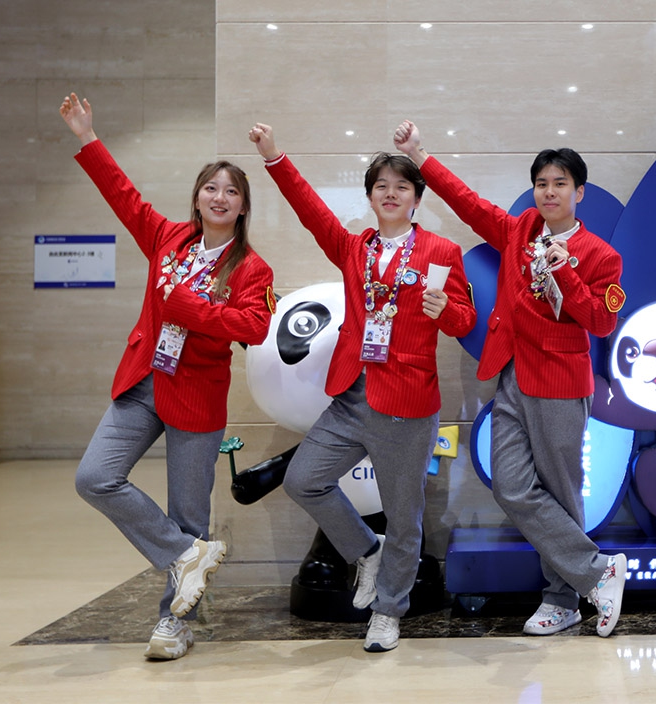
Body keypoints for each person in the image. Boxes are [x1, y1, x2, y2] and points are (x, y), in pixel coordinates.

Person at [392, 121, 629, 637]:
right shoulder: (519, 230)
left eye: (560, 183)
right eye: (542, 183)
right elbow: (468, 203)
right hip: (511, 377)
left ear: (579, 193)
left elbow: (602, 322)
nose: (549, 192)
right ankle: (597, 571)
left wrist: (565, 272)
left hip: (561, 384)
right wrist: (420, 155)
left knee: (562, 494)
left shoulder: (600, 255)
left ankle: (561, 600)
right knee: (511, 485)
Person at [61, 93, 274, 661]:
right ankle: (184, 556)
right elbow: (122, 195)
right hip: (143, 382)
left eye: (231, 192)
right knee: (95, 477)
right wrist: (87, 137)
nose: (220, 197)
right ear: (197, 197)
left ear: (243, 207)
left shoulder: (252, 268)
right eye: (211, 188)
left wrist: (191, 309)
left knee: (189, 514)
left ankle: (174, 624)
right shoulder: (167, 238)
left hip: (197, 395)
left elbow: (254, 327)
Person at [249, 124, 475, 653]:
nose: (391, 194)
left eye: (402, 186)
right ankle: (366, 552)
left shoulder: (441, 251)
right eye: (381, 186)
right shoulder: (354, 249)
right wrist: (274, 156)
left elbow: (464, 321)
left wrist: (448, 311)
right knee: (303, 480)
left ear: (416, 198)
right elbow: (310, 210)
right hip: (351, 397)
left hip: (407, 405)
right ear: (371, 197)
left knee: (405, 518)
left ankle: (388, 612)